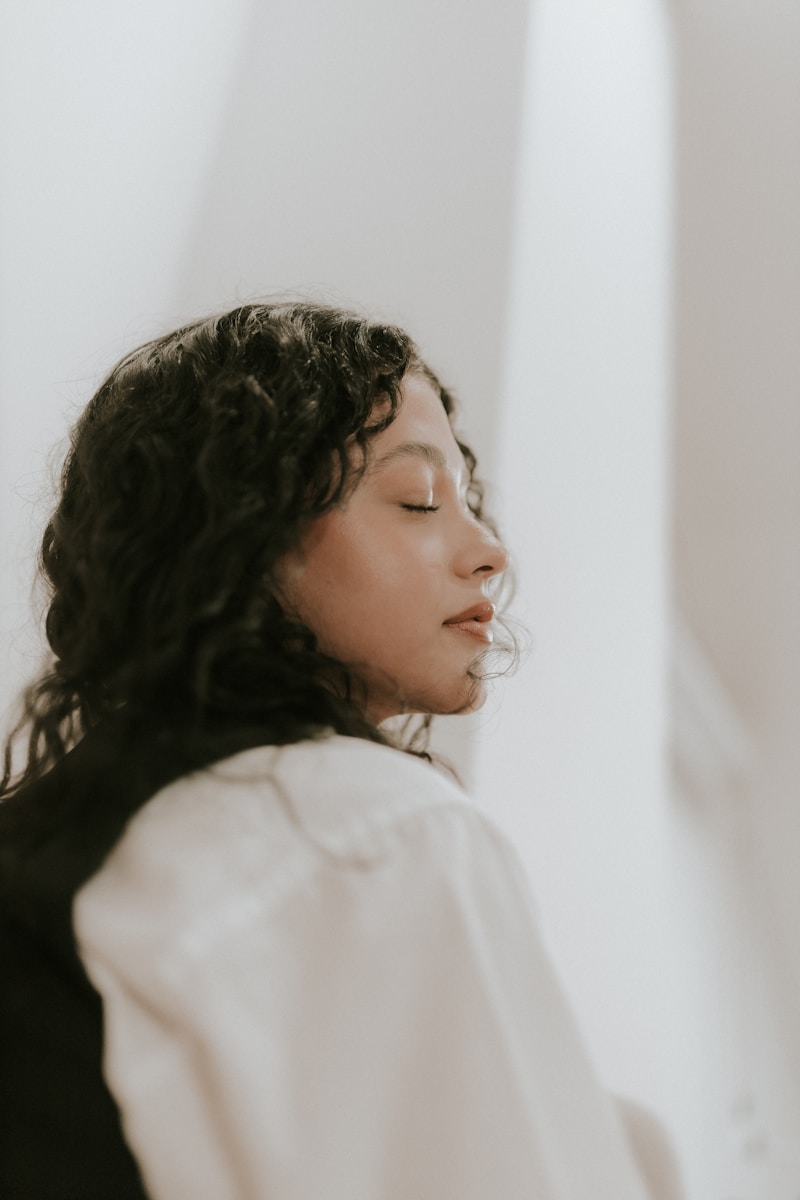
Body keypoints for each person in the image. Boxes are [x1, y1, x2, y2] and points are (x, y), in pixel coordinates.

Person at [0, 302, 669, 1198]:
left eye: (468, 502)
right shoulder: (371, 832)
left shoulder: (59, 849)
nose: (489, 551)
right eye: (418, 500)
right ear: (240, 535)